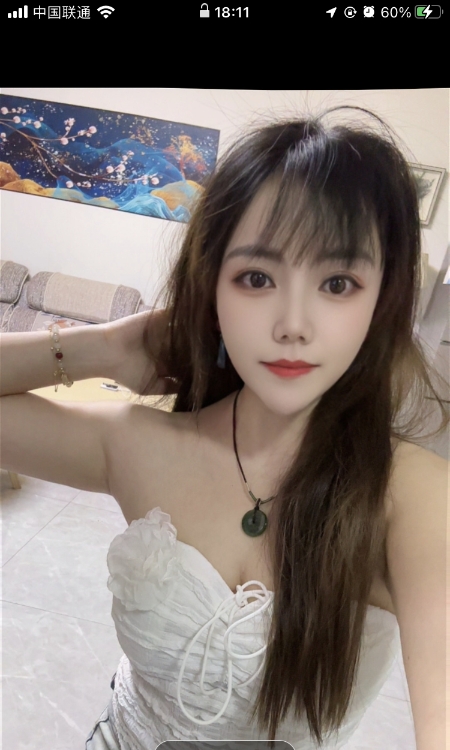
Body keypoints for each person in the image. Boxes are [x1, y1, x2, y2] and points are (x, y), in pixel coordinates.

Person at [1, 109, 448, 750]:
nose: (293, 324)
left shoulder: (413, 497)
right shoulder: (137, 444)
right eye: (256, 278)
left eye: (338, 282)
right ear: (212, 288)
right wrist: (104, 347)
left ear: (382, 300)